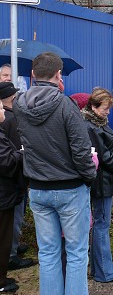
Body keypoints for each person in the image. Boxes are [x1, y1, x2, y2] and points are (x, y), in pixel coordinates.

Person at [14, 52, 96, 295]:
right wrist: (89, 175)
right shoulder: (65, 105)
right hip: (69, 188)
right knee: (77, 253)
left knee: (48, 253)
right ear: (59, 75)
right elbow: (81, 151)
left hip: (38, 189)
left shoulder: (19, 104)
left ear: (32, 74)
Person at [82, 88, 113, 283]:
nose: (108, 111)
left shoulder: (94, 124)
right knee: (102, 224)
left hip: (103, 180)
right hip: (101, 181)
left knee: (99, 225)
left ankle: (100, 269)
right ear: (93, 106)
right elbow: (105, 156)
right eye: (105, 108)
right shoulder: (91, 127)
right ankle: (105, 272)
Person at [0, 83, 33, 271]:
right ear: (13, 98)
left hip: (11, 176)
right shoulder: (10, 120)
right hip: (13, 177)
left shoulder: (8, 118)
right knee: (14, 217)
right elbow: (17, 149)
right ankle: (11, 255)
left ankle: (12, 248)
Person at [0, 101, 25, 293]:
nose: (4, 111)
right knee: (3, 237)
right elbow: (6, 162)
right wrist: (21, 154)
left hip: (5, 194)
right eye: (1, 109)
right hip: (3, 195)